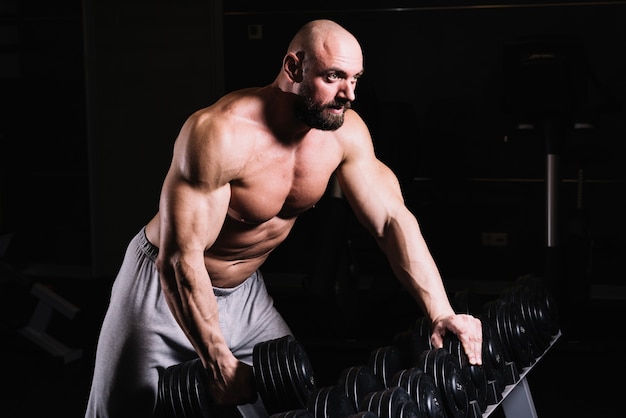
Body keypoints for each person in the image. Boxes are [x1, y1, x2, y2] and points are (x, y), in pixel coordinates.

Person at [85, 18, 483, 417]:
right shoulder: (219, 134)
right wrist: (217, 359)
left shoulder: (344, 135)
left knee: (298, 406)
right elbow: (179, 259)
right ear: (294, 68)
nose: (349, 94)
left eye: (355, 79)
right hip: (161, 291)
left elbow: (392, 221)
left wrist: (441, 312)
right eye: (334, 77)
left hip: (245, 297)